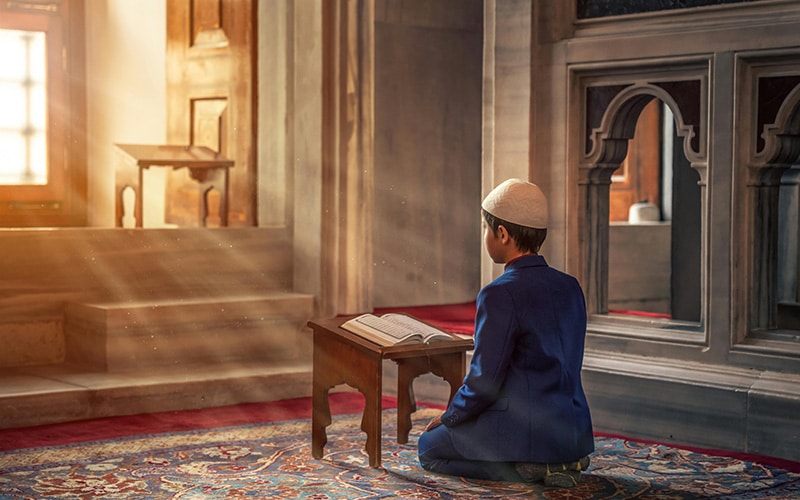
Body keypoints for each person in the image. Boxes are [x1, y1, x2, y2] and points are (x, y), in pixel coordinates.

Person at [417, 178, 594, 488]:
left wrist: (449, 418)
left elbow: (485, 382)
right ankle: (561, 459)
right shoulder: (570, 286)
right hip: (571, 430)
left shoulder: (499, 293)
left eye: (487, 229)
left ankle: (526, 467)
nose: (486, 236)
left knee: (428, 448)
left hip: (522, 431)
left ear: (502, 234)